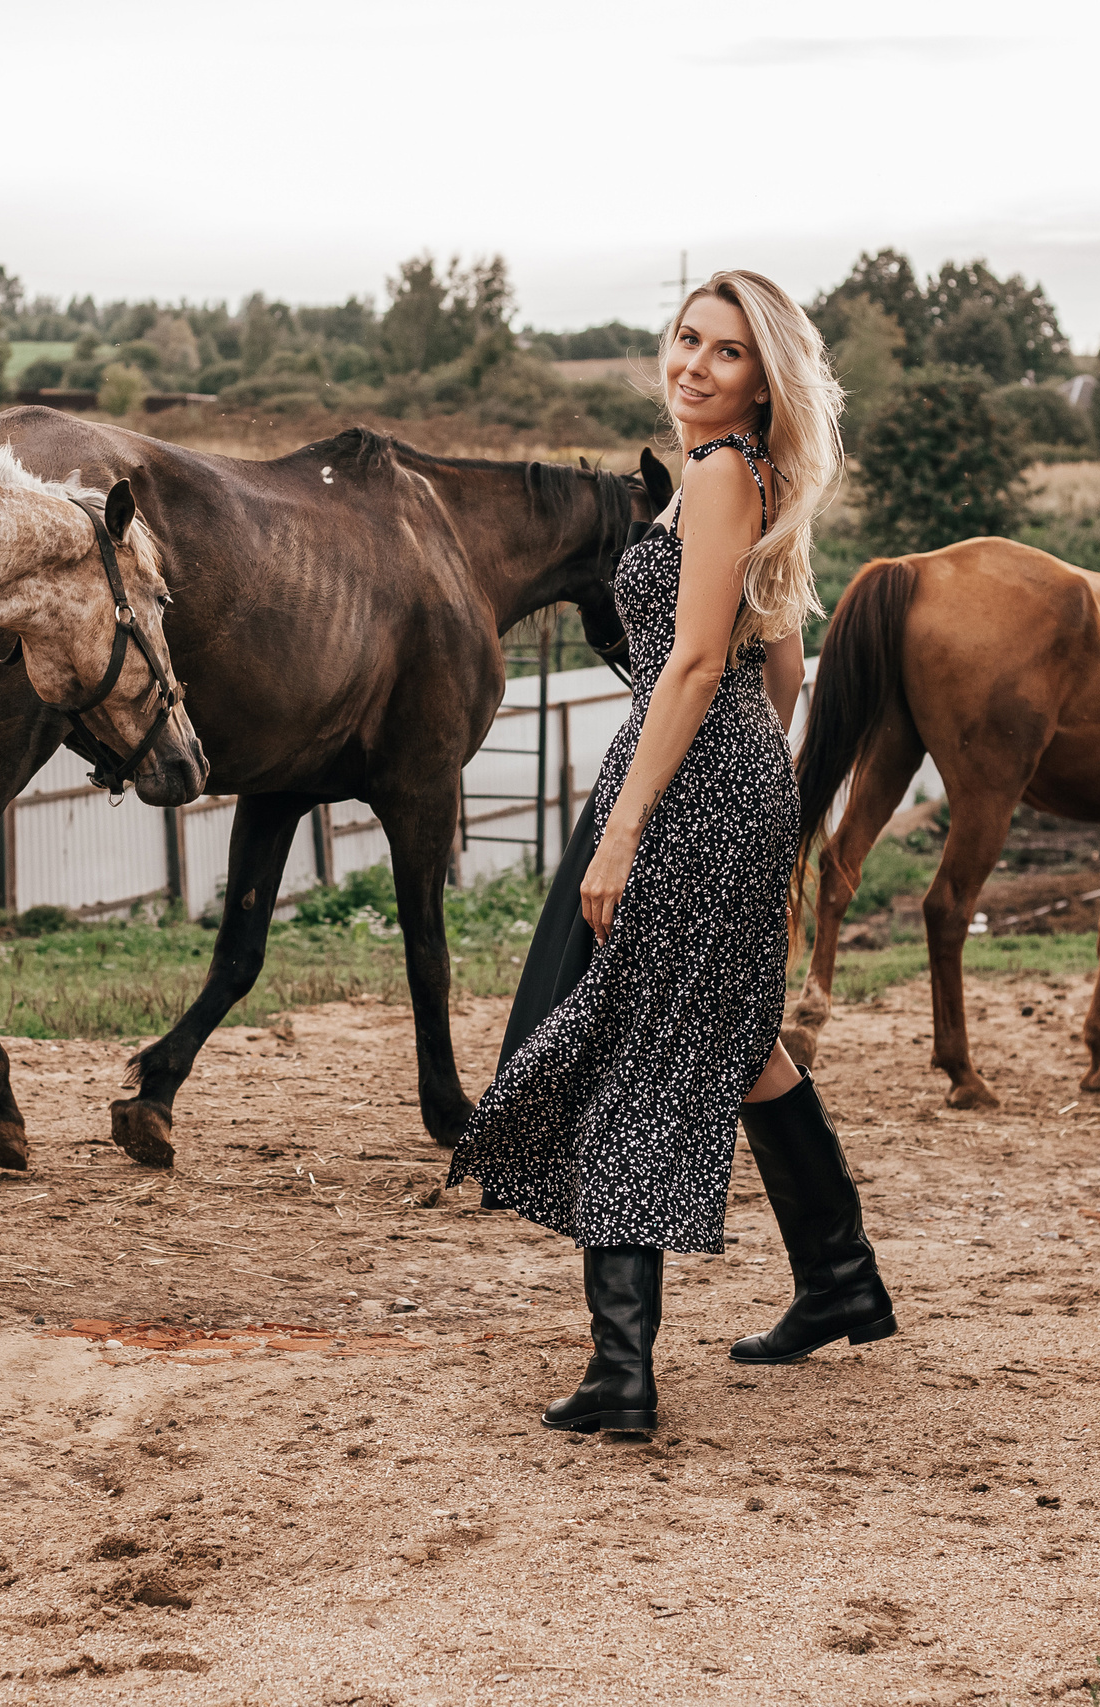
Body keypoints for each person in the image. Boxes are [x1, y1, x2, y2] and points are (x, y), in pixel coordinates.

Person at [448, 270, 895, 1433]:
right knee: (732, 1036)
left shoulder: (712, 476)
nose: (693, 365)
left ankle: (621, 1374)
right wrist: (750, 774)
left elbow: (695, 664)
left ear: (764, 379)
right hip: (731, 777)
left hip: (690, 791)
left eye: (726, 353)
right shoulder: (752, 479)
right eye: (686, 340)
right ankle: (839, 1282)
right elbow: (779, 669)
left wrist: (631, 826)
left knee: (633, 1042)